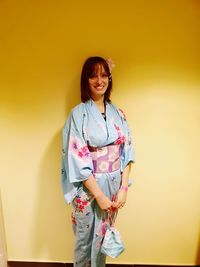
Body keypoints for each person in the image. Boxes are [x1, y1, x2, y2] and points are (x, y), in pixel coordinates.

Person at [61, 56, 135, 267]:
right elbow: (76, 157)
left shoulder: (118, 113)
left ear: (109, 78)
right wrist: (99, 195)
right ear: (86, 80)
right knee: (84, 241)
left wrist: (123, 189)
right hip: (88, 190)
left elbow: (128, 152)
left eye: (104, 75)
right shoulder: (78, 114)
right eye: (93, 75)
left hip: (113, 187)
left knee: (103, 238)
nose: (99, 80)